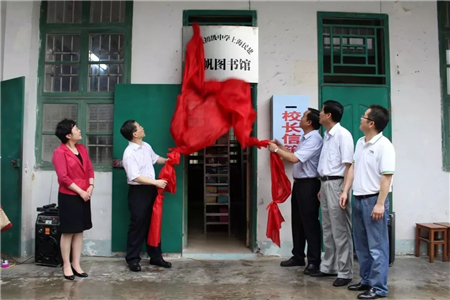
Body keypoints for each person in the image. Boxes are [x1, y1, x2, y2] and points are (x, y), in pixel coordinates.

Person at [340, 105, 395, 299]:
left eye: (364, 117)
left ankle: (379, 288)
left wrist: (380, 204)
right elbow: (353, 168)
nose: (360, 119)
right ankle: (366, 280)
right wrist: (346, 190)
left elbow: (386, 178)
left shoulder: (384, 146)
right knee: (362, 245)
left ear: (371, 123)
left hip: (373, 200)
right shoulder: (360, 143)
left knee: (377, 246)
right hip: (358, 198)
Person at [268, 108, 323, 275]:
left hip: (309, 185)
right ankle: (298, 255)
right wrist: (281, 147)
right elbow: (295, 155)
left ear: (309, 122)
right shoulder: (305, 138)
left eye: (303, 116)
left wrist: (276, 150)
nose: (300, 118)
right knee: (298, 222)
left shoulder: (314, 139)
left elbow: (294, 159)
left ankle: (314, 261)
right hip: (300, 184)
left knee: (310, 223)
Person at [310, 100, 354, 288]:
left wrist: (344, 190)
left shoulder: (343, 135)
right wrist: (321, 187)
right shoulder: (327, 136)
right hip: (325, 184)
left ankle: (345, 271)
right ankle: (329, 266)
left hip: (337, 185)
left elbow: (348, 166)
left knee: (340, 230)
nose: (318, 114)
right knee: (327, 228)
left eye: (321, 111)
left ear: (328, 115)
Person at [120, 120, 170, 272]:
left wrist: (169, 160)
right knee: (138, 225)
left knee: (153, 223)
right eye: (139, 127)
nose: (143, 127)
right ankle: (133, 259)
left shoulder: (146, 146)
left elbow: (156, 159)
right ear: (134, 134)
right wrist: (156, 182)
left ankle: (155, 256)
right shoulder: (129, 154)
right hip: (139, 192)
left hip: (151, 190)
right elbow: (135, 177)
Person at [52, 119, 94, 280]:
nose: (79, 130)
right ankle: (66, 264)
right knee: (68, 231)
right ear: (68, 135)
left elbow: (89, 168)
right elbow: (63, 178)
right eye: (76, 129)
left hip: (85, 194)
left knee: (79, 229)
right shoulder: (59, 152)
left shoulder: (82, 149)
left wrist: (90, 186)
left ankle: (76, 263)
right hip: (69, 196)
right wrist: (81, 192)